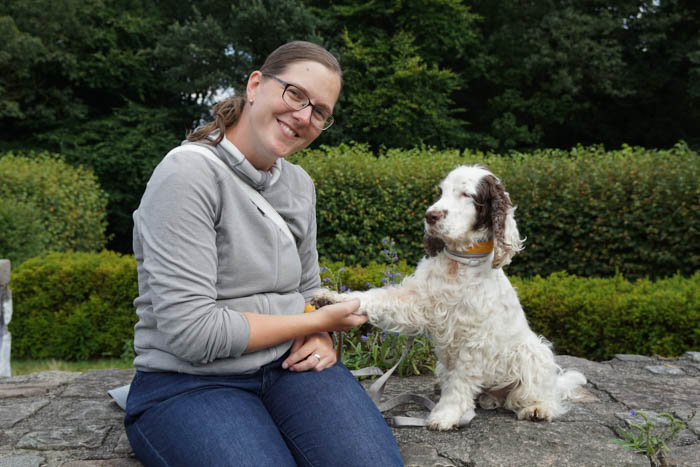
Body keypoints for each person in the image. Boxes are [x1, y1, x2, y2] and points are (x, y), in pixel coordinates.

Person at [124, 41, 404, 466]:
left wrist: (319, 337)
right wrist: (318, 322)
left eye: (320, 111)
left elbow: (308, 289)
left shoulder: (299, 185)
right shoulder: (186, 175)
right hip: (190, 383)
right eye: (296, 94)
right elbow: (192, 332)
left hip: (290, 369)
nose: (304, 116)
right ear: (255, 85)